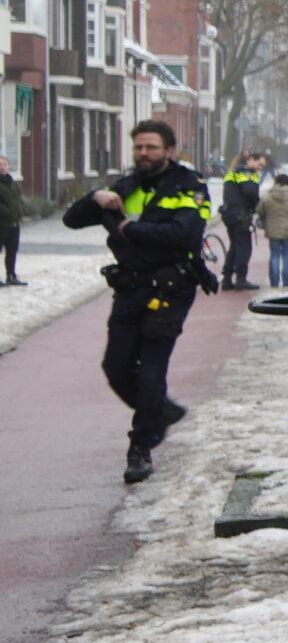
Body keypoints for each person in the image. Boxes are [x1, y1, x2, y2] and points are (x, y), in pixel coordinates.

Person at [63, 120, 214, 484]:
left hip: (170, 289)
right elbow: (72, 220)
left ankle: (140, 447)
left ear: (169, 151)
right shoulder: (126, 186)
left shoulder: (190, 187)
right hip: (130, 288)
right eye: (139, 148)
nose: (144, 154)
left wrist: (130, 229)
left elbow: (183, 234)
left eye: (151, 147)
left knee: (150, 371)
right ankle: (159, 412)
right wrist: (96, 197)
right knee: (115, 367)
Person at [217, 150, 263, 291]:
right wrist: (258, 206)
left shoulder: (232, 172)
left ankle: (227, 279)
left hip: (229, 213)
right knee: (244, 247)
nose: (260, 168)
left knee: (234, 247)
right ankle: (241, 279)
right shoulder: (245, 172)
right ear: (250, 160)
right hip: (240, 214)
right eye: (259, 164)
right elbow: (249, 191)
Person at [0, 154, 29, 285]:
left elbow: (18, 200)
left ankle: (11, 276)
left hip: (14, 224)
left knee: (12, 251)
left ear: (8, 166)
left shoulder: (13, 183)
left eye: (4, 164)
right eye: (0, 165)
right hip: (2, 223)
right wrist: (9, 213)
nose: (2, 167)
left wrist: (21, 210)